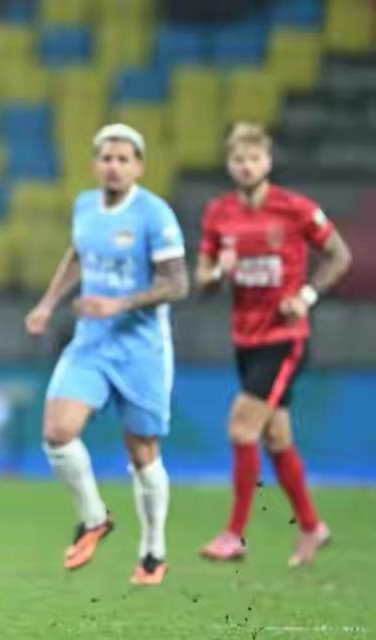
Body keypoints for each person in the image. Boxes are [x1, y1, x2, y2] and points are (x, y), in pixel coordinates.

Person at [25, 124, 188, 586]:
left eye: (123, 159)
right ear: (96, 164)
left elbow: (177, 283)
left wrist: (119, 304)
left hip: (142, 350)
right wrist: (48, 304)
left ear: (139, 166)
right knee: (57, 433)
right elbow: (78, 256)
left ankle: (153, 550)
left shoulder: (154, 214)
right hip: (91, 343)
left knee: (143, 451)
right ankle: (95, 518)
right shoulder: (85, 206)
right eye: (107, 158)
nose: (114, 166)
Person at [197, 123, 352, 566]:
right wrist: (219, 272)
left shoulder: (295, 208)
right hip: (244, 338)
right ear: (229, 165)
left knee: (241, 427)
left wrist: (306, 296)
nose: (246, 167)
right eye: (238, 160)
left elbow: (340, 255)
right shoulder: (219, 213)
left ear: (267, 162)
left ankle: (234, 535)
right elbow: (202, 280)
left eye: (254, 159)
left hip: (284, 337)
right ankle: (312, 526)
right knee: (277, 437)